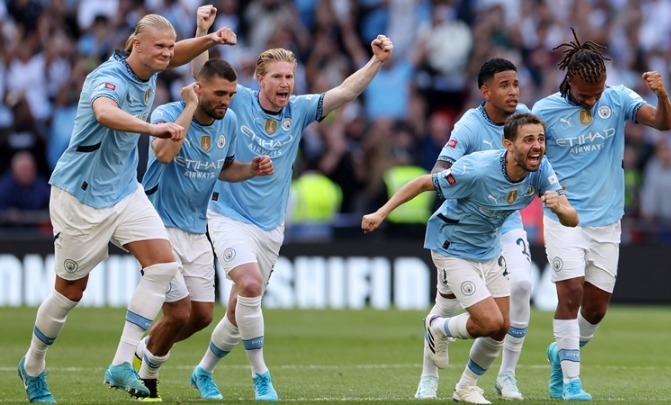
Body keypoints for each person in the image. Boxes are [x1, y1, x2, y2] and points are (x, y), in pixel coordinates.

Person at [16, 11, 238, 403]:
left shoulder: (151, 65)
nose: (167, 54)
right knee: (69, 293)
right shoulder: (109, 77)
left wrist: (209, 39)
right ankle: (32, 365)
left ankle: (121, 362)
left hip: (124, 191)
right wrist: (152, 128)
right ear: (136, 45)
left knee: (163, 266)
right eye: (159, 47)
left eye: (169, 47)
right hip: (80, 196)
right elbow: (105, 112)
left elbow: (178, 54)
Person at [186, 10, 394, 402]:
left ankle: (203, 371)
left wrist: (376, 61)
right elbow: (202, 77)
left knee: (239, 310)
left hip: (270, 226)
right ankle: (261, 376)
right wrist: (202, 32)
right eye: (278, 77)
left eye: (289, 77)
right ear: (259, 78)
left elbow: (344, 93)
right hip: (228, 215)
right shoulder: (237, 101)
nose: (285, 83)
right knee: (250, 284)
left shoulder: (298, 110)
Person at [363, 113, 578, 405]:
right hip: (452, 247)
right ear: (508, 144)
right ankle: (436, 328)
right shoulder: (477, 169)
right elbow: (423, 183)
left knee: (502, 326)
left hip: (489, 248)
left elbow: (572, 218)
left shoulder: (541, 170)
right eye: (528, 139)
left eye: (540, 139)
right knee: (488, 322)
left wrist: (560, 208)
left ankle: (466, 387)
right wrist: (380, 213)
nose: (537, 146)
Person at [531, 28, 671, 401]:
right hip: (564, 217)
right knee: (570, 294)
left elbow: (662, 123)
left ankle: (561, 351)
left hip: (607, 221)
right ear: (569, 82)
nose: (593, 101)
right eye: (585, 95)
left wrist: (661, 94)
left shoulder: (619, 98)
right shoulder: (543, 111)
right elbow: (526, 155)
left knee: (595, 310)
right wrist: (543, 190)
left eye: (598, 92)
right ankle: (571, 383)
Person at [133, 58, 274, 401]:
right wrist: (189, 108)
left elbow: (224, 168)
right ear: (198, 89)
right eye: (220, 93)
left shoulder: (229, 122)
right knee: (178, 312)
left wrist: (251, 169)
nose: (227, 101)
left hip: (197, 229)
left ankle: (146, 347)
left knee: (200, 316)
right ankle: (147, 377)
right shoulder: (167, 113)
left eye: (231, 94)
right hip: (158, 226)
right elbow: (164, 153)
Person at [416, 58, 534, 401]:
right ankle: (428, 377)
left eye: (516, 84)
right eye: (504, 85)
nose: (513, 91)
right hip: (466, 227)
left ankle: (506, 375)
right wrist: (458, 181)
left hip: (506, 219)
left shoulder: (523, 117)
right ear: (485, 91)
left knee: (522, 285)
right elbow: (440, 169)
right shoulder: (469, 124)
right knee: (447, 305)